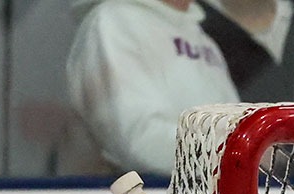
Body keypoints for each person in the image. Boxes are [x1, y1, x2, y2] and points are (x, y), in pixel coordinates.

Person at [66, 0, 240, 177]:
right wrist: (241, 151)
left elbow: (237, 127)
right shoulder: (114, 22)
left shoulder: (203, 40)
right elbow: (138, 142)